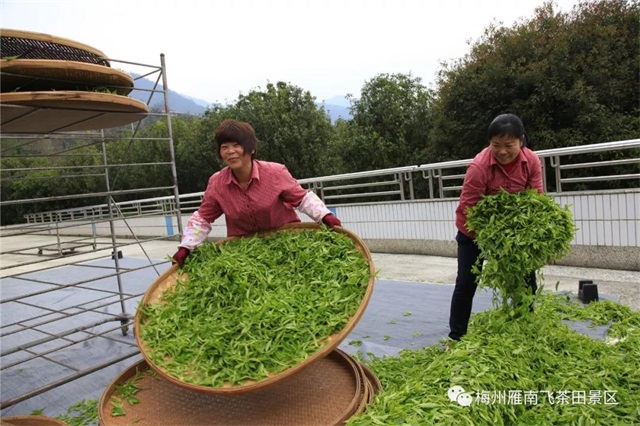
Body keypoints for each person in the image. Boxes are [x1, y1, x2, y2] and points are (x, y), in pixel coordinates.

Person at [172, 119, 341, 267]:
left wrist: (325, 216)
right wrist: (186, 247)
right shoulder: (217, 183)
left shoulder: (275, 173)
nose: (230, 151)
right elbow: (203, 218)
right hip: (245, 252)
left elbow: (302, 199)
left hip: (286, 243)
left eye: (236, 145)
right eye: (225, 147)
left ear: (251, 149)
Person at [448, 113, 543, 341]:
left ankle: (525, 327)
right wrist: (493, 236)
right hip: (473, 231)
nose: (502, 151)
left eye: (509, 145)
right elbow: (469, 208)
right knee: (466, 283)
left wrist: (521, 234)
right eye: (496, 145)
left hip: (514, 232)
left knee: (525, 278)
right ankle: (456, 337)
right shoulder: (479, 168)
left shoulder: (531, 162)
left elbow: (536, 198)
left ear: (521, 141)